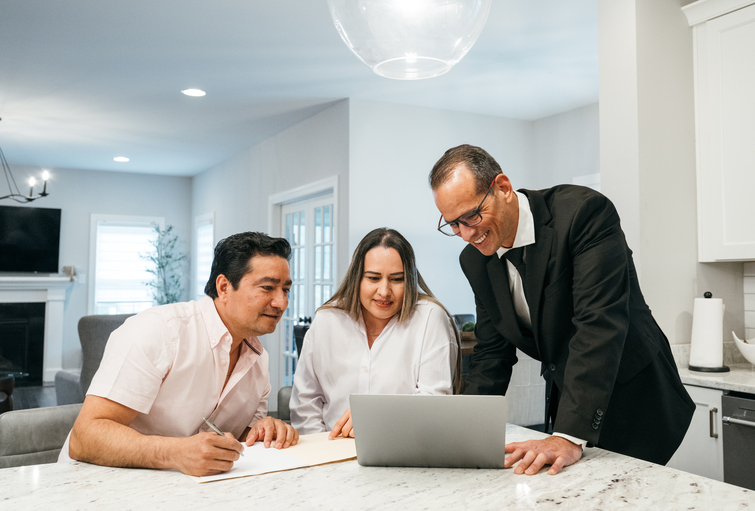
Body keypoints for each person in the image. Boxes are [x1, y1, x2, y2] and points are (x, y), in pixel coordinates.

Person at [429, 144, 694, 475]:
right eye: (453, 224)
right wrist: (462, 434)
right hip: (569, 400)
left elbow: (598, 324)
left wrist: (568, 435)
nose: (467, 234)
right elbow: (491, 356)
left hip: (635, 400)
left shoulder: (584, 214)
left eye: (472, 216)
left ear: (502, 188)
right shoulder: (475, 261)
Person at [62, 232, 299, 477]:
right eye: (268, 288)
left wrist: (261, 431)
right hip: (95, 484)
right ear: (224, 287)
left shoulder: (259, 359)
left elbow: (236, 438)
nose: (281, 302)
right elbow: (84, 437)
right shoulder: (159, 330)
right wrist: (176, 453)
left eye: (286, 290)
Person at [290, 228, 460, 438]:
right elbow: (305, 402)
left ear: (410, 280)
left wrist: (376, 417)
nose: (384, 291)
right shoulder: (327, 319)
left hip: (404, 447)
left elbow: (435, 403)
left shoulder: (431, 318)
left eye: (397, 279)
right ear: (357, 278)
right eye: (373, 278)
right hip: (329, 448)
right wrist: (321, 449)